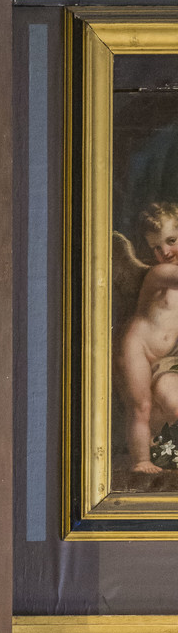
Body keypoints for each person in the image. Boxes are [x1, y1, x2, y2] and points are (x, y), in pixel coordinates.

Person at [113, 199, 178, 476]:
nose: (164, 251)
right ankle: (141, 460)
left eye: (171, 240)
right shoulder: (160, 273)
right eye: (155, 247)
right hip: (136, 347)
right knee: (141, 406)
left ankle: (164, 456)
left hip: (165, 359)